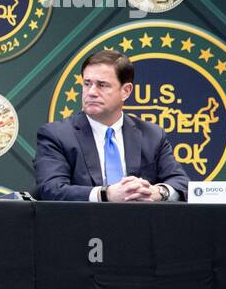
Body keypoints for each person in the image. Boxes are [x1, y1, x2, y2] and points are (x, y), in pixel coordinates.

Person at [35, 49, 188, 202]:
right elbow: (51, 189)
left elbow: (182, 184)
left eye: (102, 85)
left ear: (126, 91)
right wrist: (105, 194)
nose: (91, 92)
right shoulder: (57, 135)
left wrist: (159, 192)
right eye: (87, 84)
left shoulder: (152, 135)